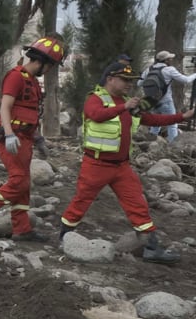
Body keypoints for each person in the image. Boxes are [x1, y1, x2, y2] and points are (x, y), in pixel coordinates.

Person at [59, 60, 193, 264]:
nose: (129, 84)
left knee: (137, 203)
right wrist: (124, 107)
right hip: (96, 165)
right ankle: (64, 237)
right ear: (110, 79)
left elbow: (151, 120)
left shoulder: (128, 102)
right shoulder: (95, 99)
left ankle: (151, 247)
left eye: (131, 81)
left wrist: (182, 116)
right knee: (81, 201)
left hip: (121, 166)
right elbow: (96, 115)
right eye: (125, 80)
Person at [0, 35, 67, 242]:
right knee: (19, 182)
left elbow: (30, 114)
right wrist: (9, 134)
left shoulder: (32, 82)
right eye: (50, 66)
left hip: (25, 139)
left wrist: (38, 139)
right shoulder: (15, 77)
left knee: (24, 183)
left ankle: (22, 229)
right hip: (12, 139)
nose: (49, 70)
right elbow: (5, 107)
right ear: (41, 62)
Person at [145, 50, 196, 142]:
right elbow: (186, 80)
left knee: (155, 122)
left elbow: (139, 83)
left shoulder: (149, 69)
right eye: (170, 58)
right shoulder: (169, 70)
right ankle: (173, 145)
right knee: (172, 124)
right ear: (166, 60)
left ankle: (151, 143)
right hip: (166, 101)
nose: (171, 60)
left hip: (152, 101)